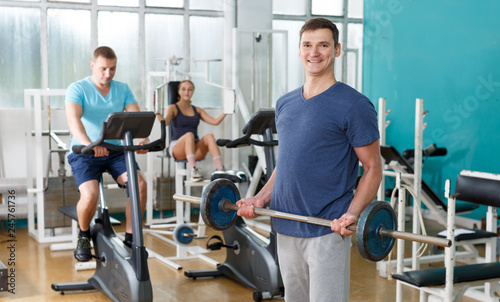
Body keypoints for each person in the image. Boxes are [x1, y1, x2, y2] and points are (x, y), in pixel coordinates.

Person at [236, 18, 382, 302]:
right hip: (285, 223)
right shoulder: (285, 103)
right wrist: (260, 197)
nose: (314, 52)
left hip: (327, 229)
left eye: (323, 45)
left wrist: (351, 214)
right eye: (307, 45)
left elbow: (373, 168)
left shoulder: (354, 105)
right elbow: (286, 162)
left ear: (337, 50)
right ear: (299, 50)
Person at [65, 46, 149, 262]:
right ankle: (83, 235)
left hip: (116, 151)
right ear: (92, 65)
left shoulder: (122, 89)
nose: (108, 74)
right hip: (84, 152)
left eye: (112, 69)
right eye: (103, 69)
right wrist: (89, 144)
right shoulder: (78, 88)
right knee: (90, 195)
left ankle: (132, 238)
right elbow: (73, 121)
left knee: (139, 186)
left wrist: (142, 139)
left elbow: (136, 117)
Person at [156, 79, 226, 182]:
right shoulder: (173, 108)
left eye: (190, 89)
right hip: (177, 148)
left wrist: (228, 109)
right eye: (183, 89)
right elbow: (165, 122)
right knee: (189, 135)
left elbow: (215, 121)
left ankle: (221, 170)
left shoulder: (196, 109)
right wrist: (156, 111)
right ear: (179, 91)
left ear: (193, 91)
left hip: (194, 147)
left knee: (209, 136)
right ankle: (194, 170)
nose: (187, 92)